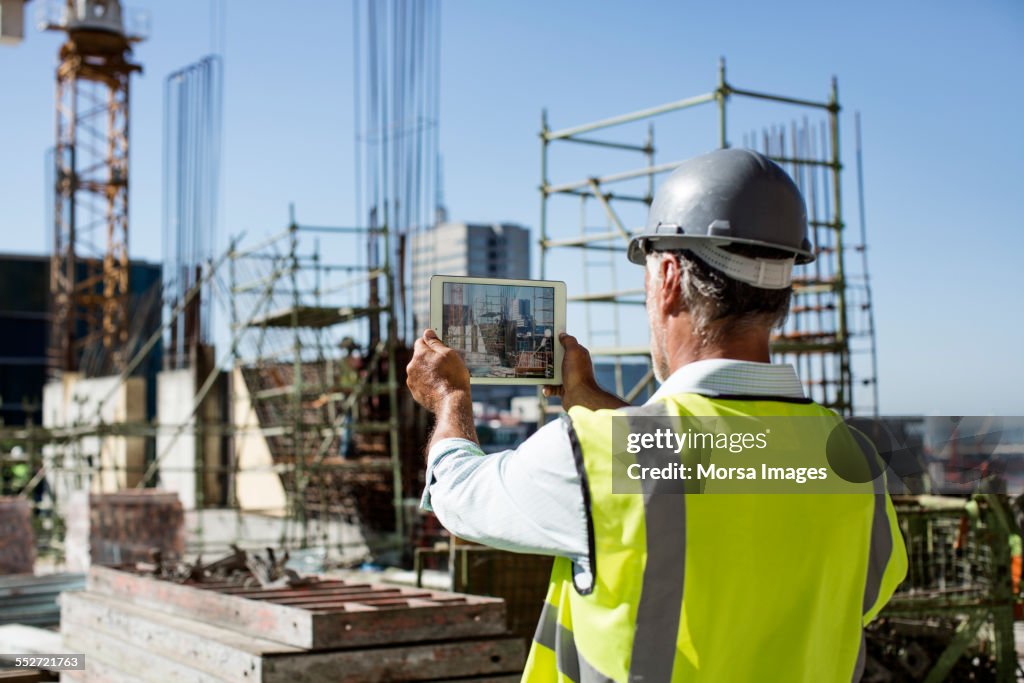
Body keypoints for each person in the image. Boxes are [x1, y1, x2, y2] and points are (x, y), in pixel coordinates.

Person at [406, 148, 907, 682]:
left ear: (667, 278)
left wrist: (449, 399)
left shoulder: (600, 453)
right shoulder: (854, 459)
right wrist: (589, 397)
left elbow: (460, 496)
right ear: (783, 290)